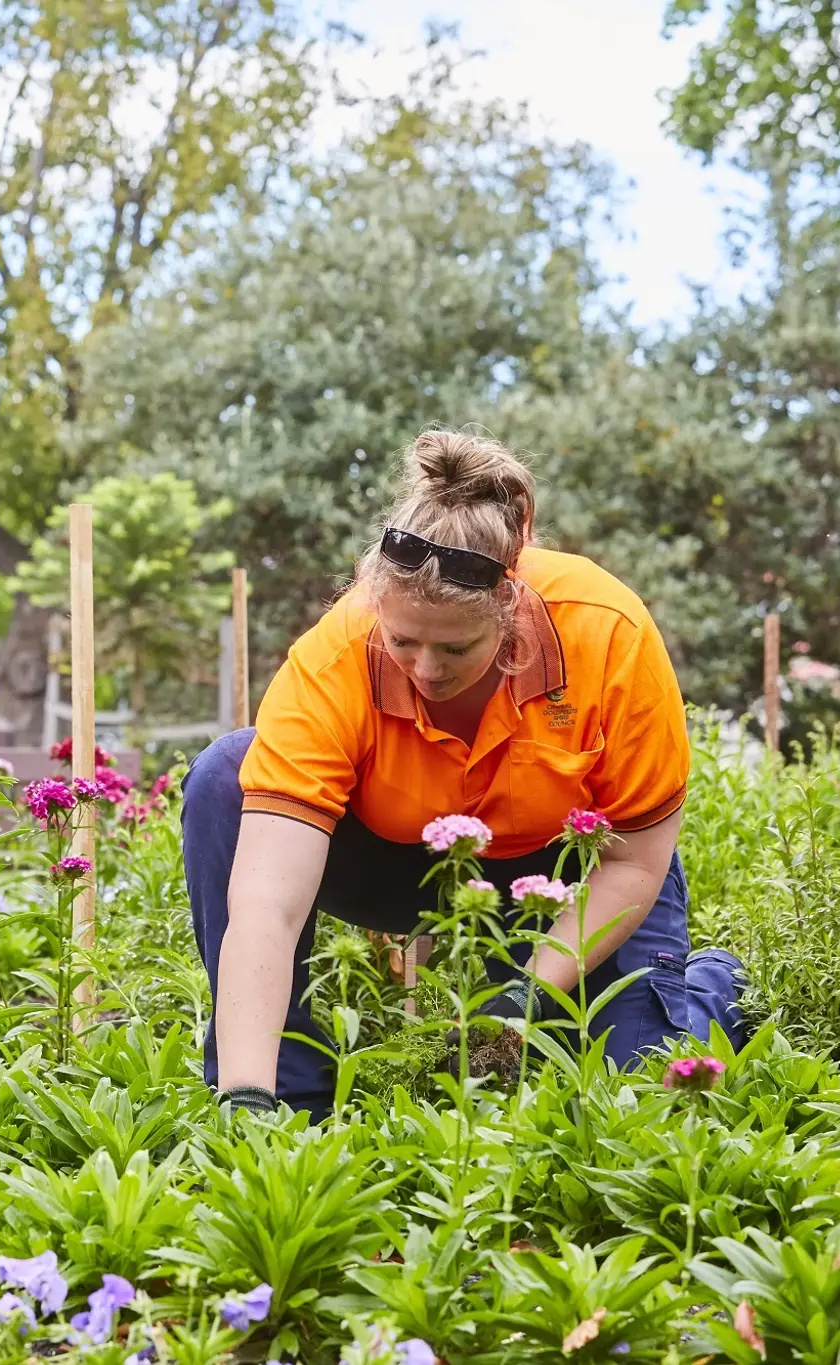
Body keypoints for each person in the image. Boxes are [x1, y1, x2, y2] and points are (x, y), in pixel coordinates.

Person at [184, 430, 747, 1114]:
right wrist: (246, 1092)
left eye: (456, 646)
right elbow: (268, 903)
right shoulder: (335, 657)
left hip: (569, 874)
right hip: (398, 864)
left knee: (627, 1095)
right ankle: (288, 1095)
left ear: (510, 609)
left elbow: (631, 862)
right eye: (402, 641)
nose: (424, 669)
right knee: (224, 773)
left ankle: (710, 984)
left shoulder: (608, 634)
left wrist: (520, 1003)